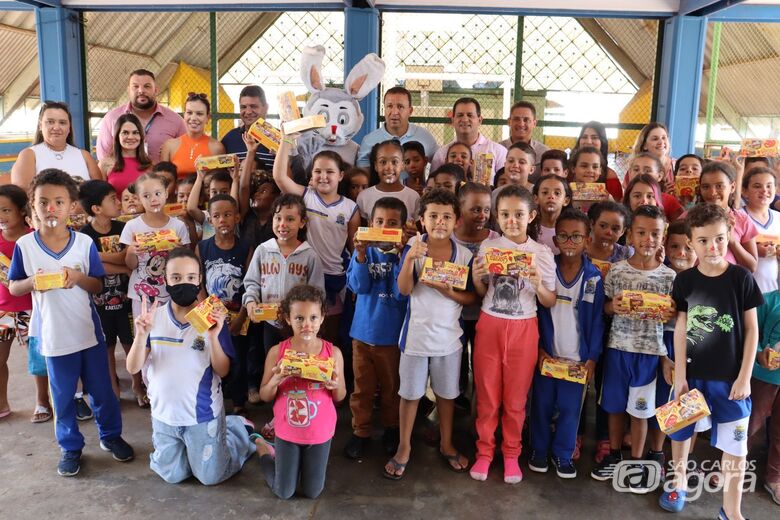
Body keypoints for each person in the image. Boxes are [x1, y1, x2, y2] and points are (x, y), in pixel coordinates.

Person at [8, 168, 133, 477]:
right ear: (32, 206)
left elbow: (98, 285)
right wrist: (32, 282)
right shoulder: (25, 246)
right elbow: (13, 286)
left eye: (59, 202)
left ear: (72, 205)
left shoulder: (82, 244)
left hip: (88, 333)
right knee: (62, 397)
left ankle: (111, 436)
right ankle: (70, 447)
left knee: (102, 391)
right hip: (53, 337)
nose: (51, 208)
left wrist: (77, 278)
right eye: (43, 202)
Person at [660, 204, 762, 520]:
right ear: (691, 242)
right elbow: (680, 328)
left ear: (729, 236)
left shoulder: (741, 279)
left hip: (731, 381)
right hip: (692, 378)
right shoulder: (685, 281)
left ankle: (731, 510)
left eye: (718, 239)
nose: (712, 247)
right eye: (703, 241)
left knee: (735, 450)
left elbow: (751, 330)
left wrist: (745, 377)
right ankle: (676, 484)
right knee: (680, 434)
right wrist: (679, 376)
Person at [126, 247, 255, 485]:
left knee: (210, 477)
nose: (183, 283)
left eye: (190, 277)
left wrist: (215, 336)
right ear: (165, 279)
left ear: (199, 280)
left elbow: (223, 371)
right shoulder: (153, 318)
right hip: (164, 417)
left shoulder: (211, 319)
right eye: (175, 278)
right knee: (172, 476)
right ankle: (195, 449)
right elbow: (133, 367)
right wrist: (141, 335)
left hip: (201, 416)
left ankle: (238, 430)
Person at [384, 189, 478, 480]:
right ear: (422, 220)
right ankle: (404, 447)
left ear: (457, 221)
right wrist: (410, 257)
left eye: (447, 216)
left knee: (447, 395)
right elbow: (403, 290)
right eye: (433, 216)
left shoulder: (463, 254)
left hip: (449, 340)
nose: (440, 222)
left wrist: (447, 290)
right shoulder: (414, 245)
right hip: (414, 338)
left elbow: (470, 298)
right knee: (410, 394)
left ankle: (447, 443)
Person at [469, 185, 556, 484]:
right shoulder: (488, 248)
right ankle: (484, 452)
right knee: (488, 396)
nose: (512, 220)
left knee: (516, 399)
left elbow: (550, 300)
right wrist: (477, 277)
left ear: (531, 215)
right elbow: (483, 292)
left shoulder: (541, 253)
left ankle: (511, 453)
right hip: (490, 324)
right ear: (497, 216)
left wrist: (538, 283)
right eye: (505, 214)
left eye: (519, 214)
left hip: (524, 329)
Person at [591, 205, 676, 493]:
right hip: (617, 349)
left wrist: (671, 316)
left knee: (641, 412)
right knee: (614, 407)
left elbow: (673, 322)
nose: (648, 239)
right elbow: (602, 308)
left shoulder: (669, 278)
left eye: (655, 233)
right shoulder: (616, 271)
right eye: (641, 232)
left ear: (662, 237)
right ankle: (615, 455)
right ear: (629, 236)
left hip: (650, 354)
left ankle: (637, 463)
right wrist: (610, 306)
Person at [529, 208, 604, 479]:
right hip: (546, 355)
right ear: (555, 240)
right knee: (541, 405)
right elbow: (536, 312)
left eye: (576, 237)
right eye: (563, 236)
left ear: (587, 240)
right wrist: (538, 349)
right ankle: (538, 450)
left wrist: (592, 357)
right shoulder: (547, 269)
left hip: (577, 360)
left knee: (571, 411)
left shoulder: (593, 277)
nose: (570, 242)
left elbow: (597, 322)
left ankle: (563, 454)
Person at [256, 284, 346, 499]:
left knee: (313, 492)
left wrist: (335, 386)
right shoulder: (277, 352)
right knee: (284, 492)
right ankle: (262, 448)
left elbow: (340, 396)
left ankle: (299, 467)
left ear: (323, 317)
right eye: (299, 318)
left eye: (313, 318)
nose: (307, 325)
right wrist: (276, 380)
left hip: (319, 433)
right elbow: (264, 395)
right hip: (287, 432)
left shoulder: (332, 353)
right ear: (288, 318)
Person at [273, 135, 360, 346]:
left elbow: (355, 249)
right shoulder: (306, 196)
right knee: (299, 335)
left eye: (329, 171)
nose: (323, 176)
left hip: (334, 280)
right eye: (317, 171)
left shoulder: (350, 208)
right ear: (311, 174)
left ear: (340, 175)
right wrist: (286, 140)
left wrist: (355, 285)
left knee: (327, 340)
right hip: (303, 276)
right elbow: (279, 177)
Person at [343, 197, 409, 459]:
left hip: (392, 337)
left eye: (392, 223)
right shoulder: (364, 251)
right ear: (371, 223)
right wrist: (359, 254)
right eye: (379, 222)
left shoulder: (405, 255)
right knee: (362, 388)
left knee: (392, 387)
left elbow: (401, 293)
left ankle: (393, 428)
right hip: (362, 333)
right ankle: (361, 431)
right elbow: (358, 287)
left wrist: (400, 256)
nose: (384, 227)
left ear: (403, 229)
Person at [78, 180, 146, 407]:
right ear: (96, 209)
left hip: (127, 301)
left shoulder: (123, 228)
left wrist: (98, 256)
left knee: (131, 344)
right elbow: (99, 266)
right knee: (106, 348)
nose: (119, 202)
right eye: (112, 199)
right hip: (99, 304)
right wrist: (121, 266)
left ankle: (138, 384)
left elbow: (123, 259)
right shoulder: (84, 235)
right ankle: (113, 388)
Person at [243, 193, 325, 356]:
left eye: (290, 219)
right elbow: (252, 283)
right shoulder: (263, 250)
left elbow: (318, 293)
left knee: (297, 363)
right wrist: (251, 302)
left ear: (302, 222)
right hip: (269, 323)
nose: (282, 224)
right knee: (272, 361)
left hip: (299, 324)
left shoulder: (310, 255)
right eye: (278, 218)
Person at [195, 194, 252, 413]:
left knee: (238, 357)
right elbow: (198, 284)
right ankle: (215, 396)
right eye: (217, 216)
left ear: (237, 217)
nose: (222, 220)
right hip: (210, 315)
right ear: (210, 220)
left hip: (239, 317)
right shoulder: (203, 247)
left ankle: (239, 401)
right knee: (211, 356)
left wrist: (240, 319)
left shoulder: (246, 247)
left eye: (228, 214)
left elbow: (250, 285)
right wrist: (208, 315)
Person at [0, 185, 52, 423]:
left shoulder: (34, 237)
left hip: (32, 308)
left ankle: (43, 401)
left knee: (39, 359)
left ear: (22, 211)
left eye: (5, 210)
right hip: (2, 309)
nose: (1, 216)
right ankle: (2, 404)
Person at [453, 182, 499, 407]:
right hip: (456, 313)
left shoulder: (496, 239)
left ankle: (480, 406)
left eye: (487, 210)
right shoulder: (448, 238)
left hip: (485, 314)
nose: (482, 215)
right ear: (460, 208)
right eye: (475, 209)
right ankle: (456, 402)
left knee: (482, 362)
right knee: (456, 360)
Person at [120, 171, 191, 316]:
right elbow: (131, 265)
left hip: (173, 294)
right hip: (142, 296)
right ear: (139, 199)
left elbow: (188, 263)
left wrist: (179, 253)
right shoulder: (132, 226)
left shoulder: (178, 226)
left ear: (166, 193)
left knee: (169, 335)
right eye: (146, 196)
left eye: (158, 193)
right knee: (144, 335)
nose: (153, 199)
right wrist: (131, 252)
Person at [97, 69, 186, 163]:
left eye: (147, 86)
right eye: (135, 86)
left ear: (156, 90)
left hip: (162, 176)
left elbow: (185, 153)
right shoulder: (112, 118)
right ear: (128, 90)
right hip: (123, 176)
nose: (141, 91)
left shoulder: (176, 120)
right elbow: (104, 156)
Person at [11, 101, 102, 191]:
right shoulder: (29, 155)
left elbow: (100, 191)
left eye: (62, 123)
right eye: (50, 122)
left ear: (69, 127)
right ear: (40, 125)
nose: (56, 127)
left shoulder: (84, 155)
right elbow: (22, 194)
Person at [697, 161, 758, 273]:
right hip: (696, 285)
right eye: (706, 187)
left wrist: (732, 240)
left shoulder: (742, 220)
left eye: (719, 186)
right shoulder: (689, 218)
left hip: (731, 287)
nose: (712, 192)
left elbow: (752, 266)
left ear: (732, 187)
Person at [357, 87, 438, 168]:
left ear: (410, 111)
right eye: (389, 106)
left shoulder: (424, 137)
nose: (395, 112)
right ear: (384, 109)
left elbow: (439, 165)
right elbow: (363, 177)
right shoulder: (369, 141)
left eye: (400, 107)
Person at [430, 98, 506, 182]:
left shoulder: (498, 151)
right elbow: (433, 185)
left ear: (480, 120)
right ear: (453, 120)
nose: (465, 119)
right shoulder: (441, 153)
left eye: (470, 115)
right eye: (460, 115)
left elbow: (503, 186)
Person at [751, 288, 780, 507]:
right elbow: (753, 333)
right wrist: (761, 354)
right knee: (750, 424)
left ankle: (775, 478)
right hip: (763, 376)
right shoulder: (769, 300)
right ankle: (732, 468)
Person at [160, 93, 225, 178]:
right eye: (189, 113)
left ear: (208, 118)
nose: (193, 118)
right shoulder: (169, 146)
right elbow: (162, 181)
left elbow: (220, 183)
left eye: (199, 114)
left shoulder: (217, 148)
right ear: (184, 115)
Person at [357, 139, 420, 222]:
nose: (388, 168)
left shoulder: (413, 196)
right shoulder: (364, 197)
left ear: (402, 165)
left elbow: (419, 230)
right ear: (376, 166)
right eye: (383, 162)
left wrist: (413, 231)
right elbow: (361, 230)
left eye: (394, 162)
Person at [741, 167, 780, 293]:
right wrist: (754, 251)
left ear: (776, 189)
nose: (764, 190)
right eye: (757, 186)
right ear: (745, 191)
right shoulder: (738, 217)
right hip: (746, 292)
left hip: (774, 292)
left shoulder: (778, 217)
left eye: (769, 186)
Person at [221, 85, 274, 170]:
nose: (248, 112)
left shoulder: (279, 139)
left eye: (253, 106)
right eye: (243, 107)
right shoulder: (230, 139)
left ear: (266, 108)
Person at [99, 113, 153, 196]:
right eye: (125, 133)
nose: (131, 137)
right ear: (117, 136)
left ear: (141, 136)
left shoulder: (151, 164)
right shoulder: (104, 164)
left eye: (135, 133)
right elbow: (99, 197)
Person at [624, 153, 683, 221]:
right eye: (636, 169)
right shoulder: (627, 198)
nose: (641, 173)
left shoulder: (670, 200)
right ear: (629, 173)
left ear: (659, 176)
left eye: (647, 170)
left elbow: (680, 225)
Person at [500, 101, 550, 181]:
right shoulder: (498, 149)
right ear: (509, 122)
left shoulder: (544, 153)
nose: (521, 124)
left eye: (526, 120)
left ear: (534, 123)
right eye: (516, 119)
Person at [577, 122, 623, 200]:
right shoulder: (566, 170)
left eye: (594, 137)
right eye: (584, 137)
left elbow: (619, 207)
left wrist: (609, 199)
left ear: (602, 142)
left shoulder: (610, 176)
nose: (588, 141)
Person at [534, 174, 572, 254]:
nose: (551, 196)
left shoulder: (572, 229)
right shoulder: (528, 228)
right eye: (545, 192)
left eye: (557, 193)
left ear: (566, 201)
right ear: (536, 198)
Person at [632, 122, 674, 191]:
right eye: (655, 139)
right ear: (645, 145)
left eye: (664, 138)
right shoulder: (636, 167)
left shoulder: (677, 166)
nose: (661, 142)